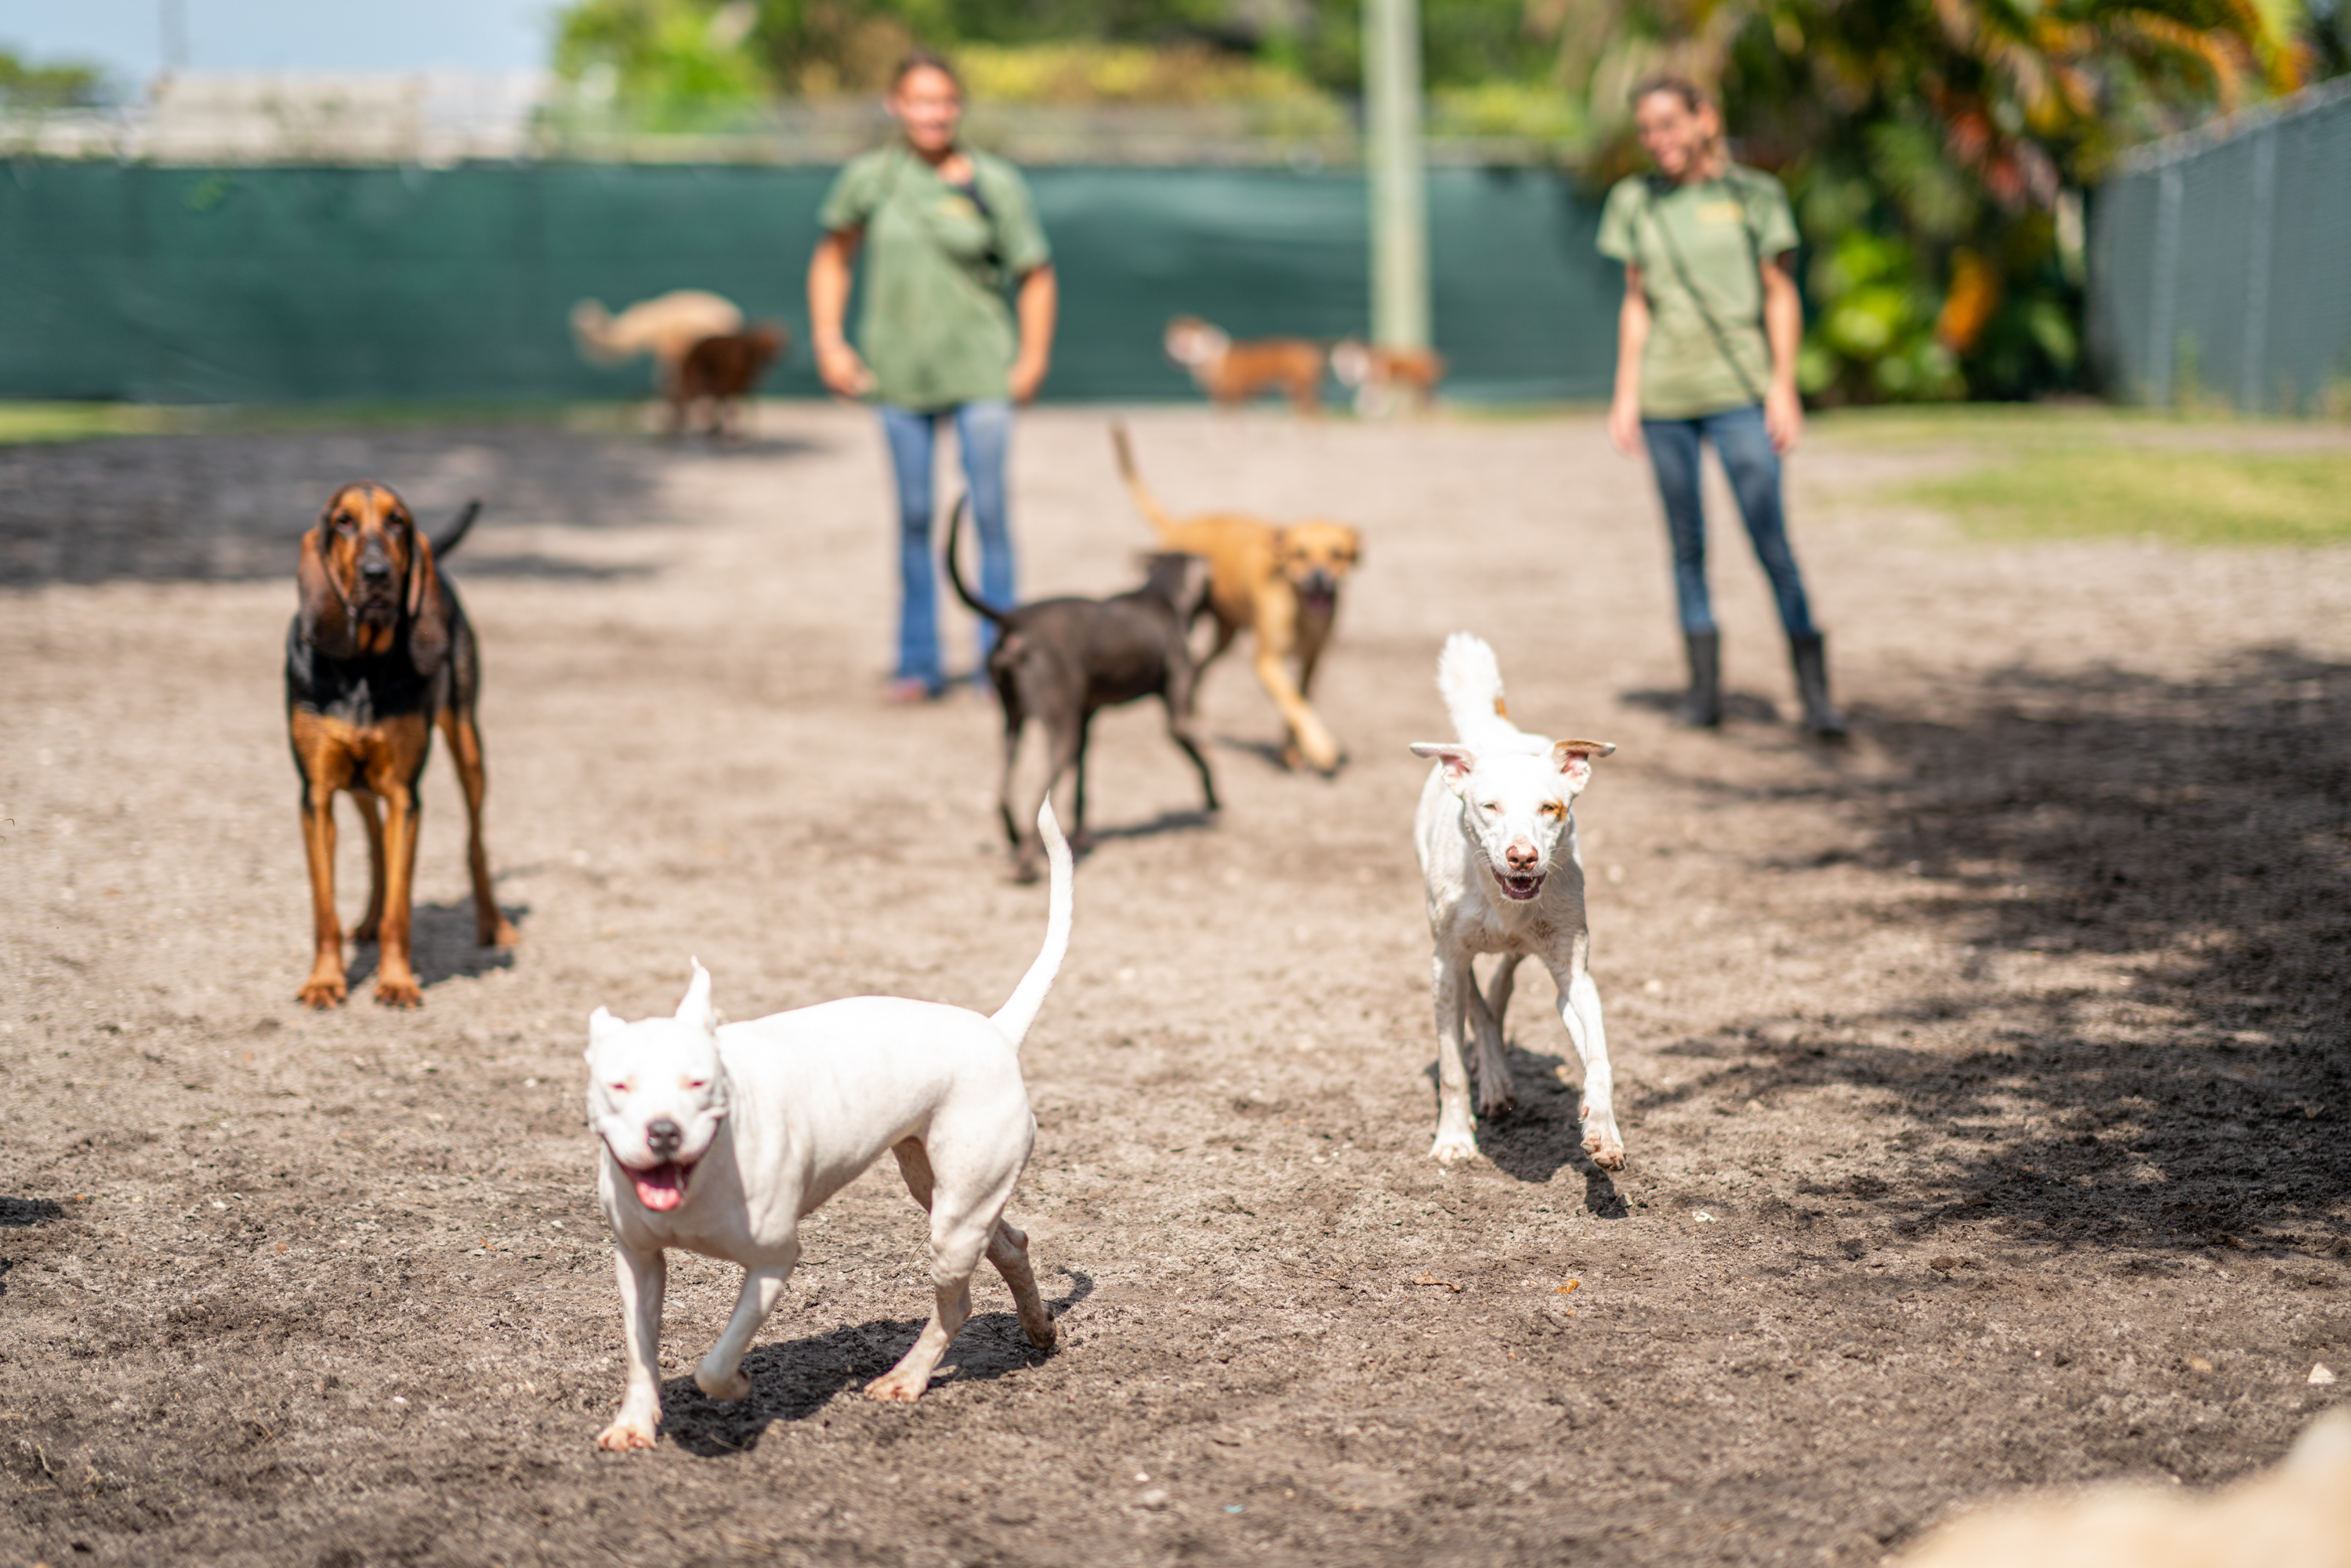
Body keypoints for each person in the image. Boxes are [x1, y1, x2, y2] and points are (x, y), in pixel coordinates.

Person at [1598, 75, 1846, 738]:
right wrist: (1626, 393)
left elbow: (1780, 294)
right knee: (1686, 543)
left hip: (1740, 393)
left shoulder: (1753, 195)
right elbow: (1636, 302)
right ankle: (1704, 693)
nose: (1658, 141)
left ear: (1705, 118)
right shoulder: (1634, 201)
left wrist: (1783, 384)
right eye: (1647, 130)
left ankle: (1815, 696)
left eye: (1669, 125)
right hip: (1666, 398)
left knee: (1772, 539)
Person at [808, 48, 1058, 703]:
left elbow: (1036, 274)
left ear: (958, 107)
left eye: (943, 101)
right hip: (897, 377)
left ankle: (999, 655)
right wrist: (831, 343)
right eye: (919, 100)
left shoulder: (994, 183)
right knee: (915, 517)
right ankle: (917, 660)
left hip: (982, 373)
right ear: (897, 105)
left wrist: (1030, 359)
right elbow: (832, 259)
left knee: (991, 513)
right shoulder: (871, 179)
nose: (932, 113)